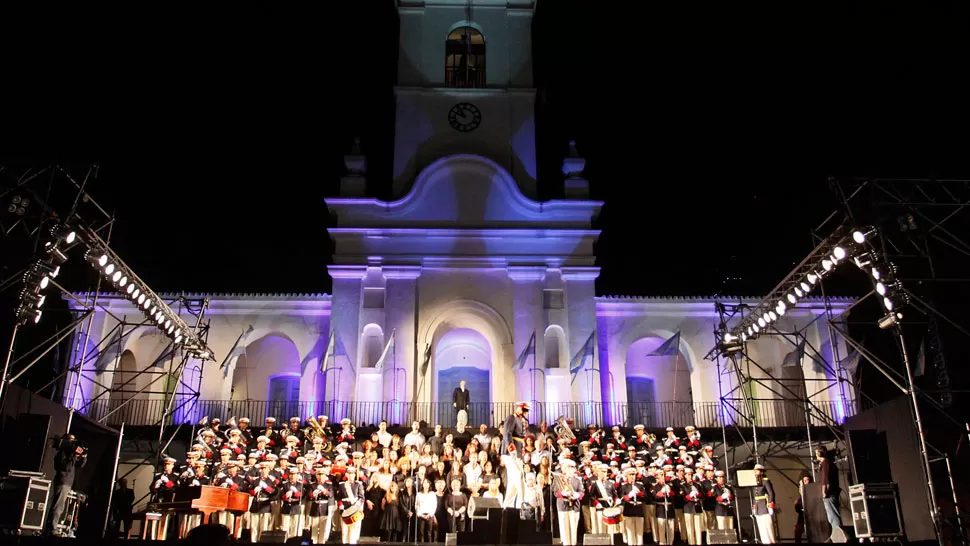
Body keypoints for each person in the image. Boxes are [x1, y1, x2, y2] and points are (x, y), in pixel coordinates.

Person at [48, 433, 87, 535]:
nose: (73, 442)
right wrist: (73, 457)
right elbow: (64, 467)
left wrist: (82, 456)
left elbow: (80, 465)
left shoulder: (70, 454)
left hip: (68, 483)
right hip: (63, 481)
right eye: (71, 440)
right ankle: (52, 528)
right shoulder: (62, 453)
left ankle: (52, 527)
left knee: (60, 506)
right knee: (58, 506)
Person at [501, 402, 530, 508]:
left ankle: (507, 506)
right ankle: (523, 500)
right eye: (524, 410)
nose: (526, 413)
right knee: (518, 475)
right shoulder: (511, 418)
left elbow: (522, 437)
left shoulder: (522, 420)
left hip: (517, 451)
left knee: (513, 481)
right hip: (510, 452)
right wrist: (511, 447)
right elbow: (507, 433)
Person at [816, 446, 843, 539]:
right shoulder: (828, 463)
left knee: (833, 517)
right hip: (831, 492)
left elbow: (825, 479)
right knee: (832, 516)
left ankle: (838, 537)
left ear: (820, 454)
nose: (816, 455)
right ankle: (836, 536)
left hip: (829, 494)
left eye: (816, 453)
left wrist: (824, 492)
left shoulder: (825, 463)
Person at [751, 464, 776, 544]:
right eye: (754, 470)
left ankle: (771, 542)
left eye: (756, 470)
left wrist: (770, 503)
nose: (755, 472)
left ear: (761, 472)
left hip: (764, 506)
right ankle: (764, 542)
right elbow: (754, 496)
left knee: (768, 527)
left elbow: (771, 493)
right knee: (761, 528)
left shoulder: (765, 481)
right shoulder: (754, 482)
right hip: (758, 507)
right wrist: (754, 506)